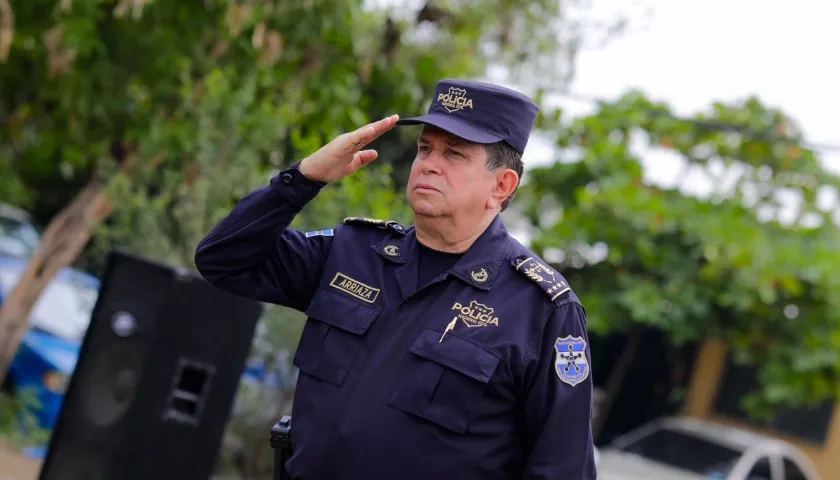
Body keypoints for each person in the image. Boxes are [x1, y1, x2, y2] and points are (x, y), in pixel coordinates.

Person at [195, 79, 596, 479]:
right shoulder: (353, 252)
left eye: (454, 153)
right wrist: (303, 179)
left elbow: (561, 469)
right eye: (425, 148)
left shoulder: (540, 309)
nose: (428, 164)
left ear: (502, 184)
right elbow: (223, 259)